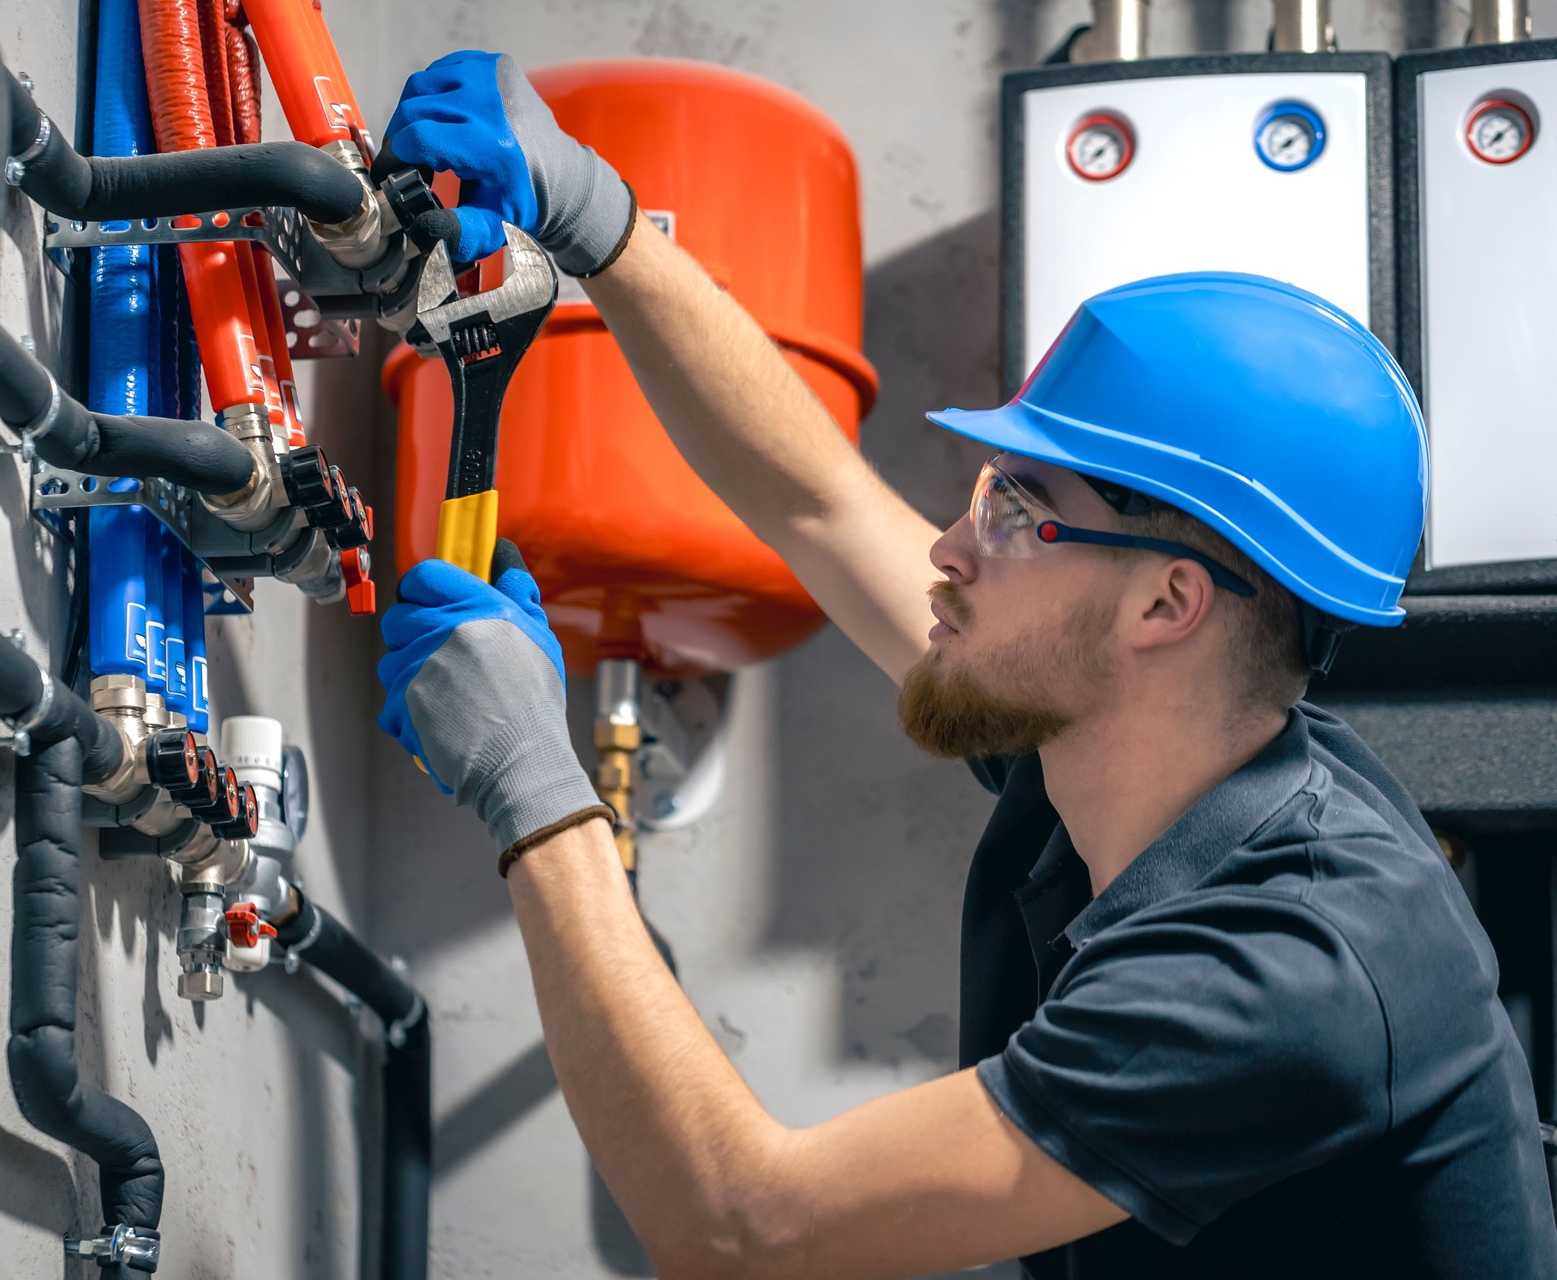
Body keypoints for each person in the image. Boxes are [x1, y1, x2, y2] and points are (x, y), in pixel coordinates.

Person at [373, 51, 1557, 1279]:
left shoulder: (1294, 962)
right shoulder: (1123, 737)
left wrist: (533, 783)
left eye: (1015, 510)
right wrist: (600, 221)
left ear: (1167, 602)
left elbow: (739, 1228)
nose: (947, 545)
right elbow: (819, 500)